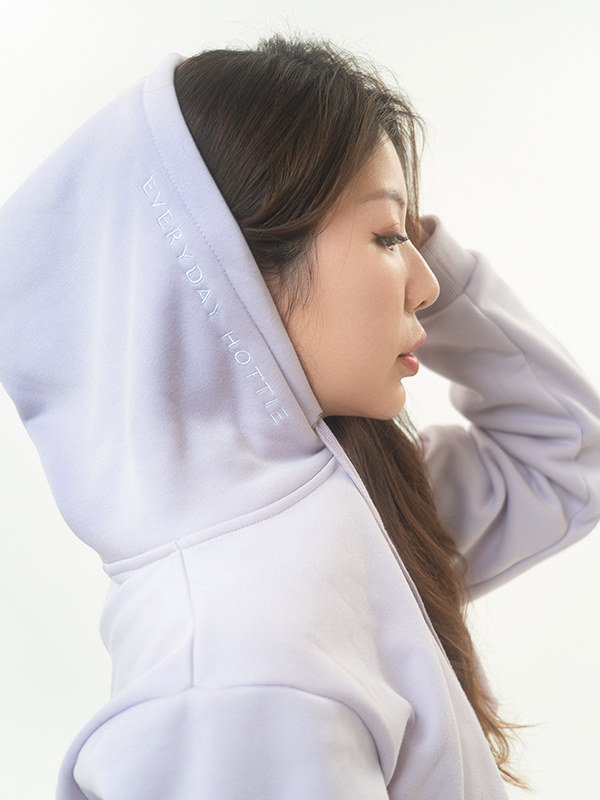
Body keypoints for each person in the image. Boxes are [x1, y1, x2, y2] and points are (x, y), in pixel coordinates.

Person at [0, 35, 598, 800]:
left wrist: (404, 235)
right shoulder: (231, 680)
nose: (426, 287)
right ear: (233, 272)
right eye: (387, 237)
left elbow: (565, 452)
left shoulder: (350, 502)